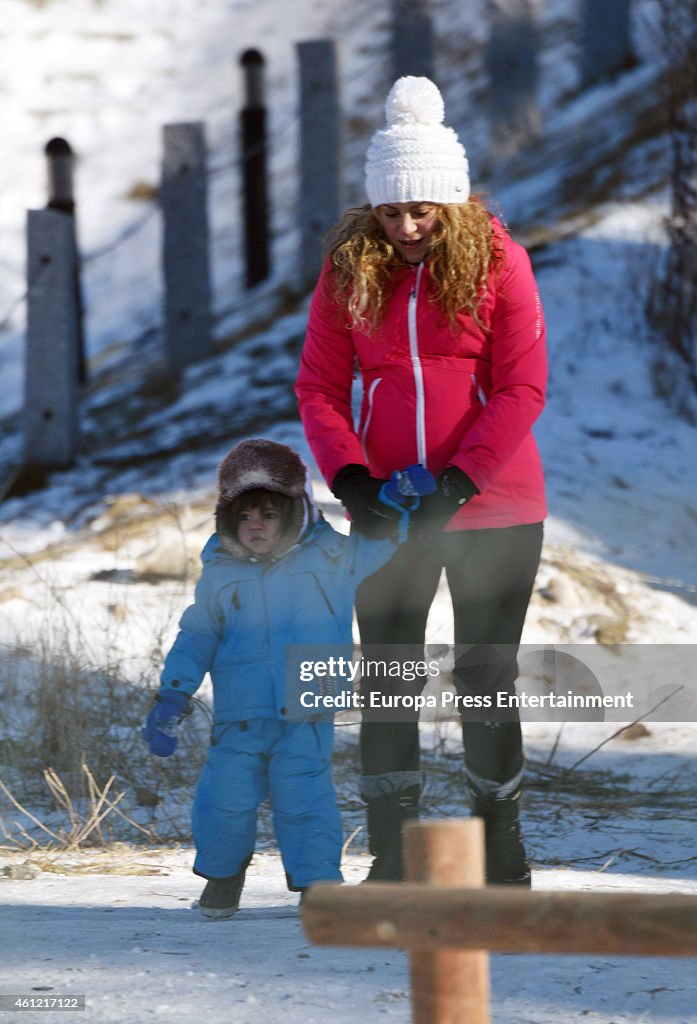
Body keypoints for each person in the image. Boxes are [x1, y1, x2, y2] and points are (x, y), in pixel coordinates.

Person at [295, 76, 547, 886]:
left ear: (451, 202)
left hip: (494, 509)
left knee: (483, 674)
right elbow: (319, 389)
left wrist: (460, 482)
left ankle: (497, 841)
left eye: (421, 211)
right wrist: (351, 476)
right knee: (388, 674)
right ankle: (394, 849)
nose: (405, 227)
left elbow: (520, 387)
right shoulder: (348, 274)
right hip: (389, 513)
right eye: (391, 212)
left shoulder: (500, 264)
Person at [141, 438, 401, 918]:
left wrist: (393, 508)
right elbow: (197, 635)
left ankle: (319, 889)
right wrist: (172, 695)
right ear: (227, 519)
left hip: (308, 708)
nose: (255, 525)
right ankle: (222, 880)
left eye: (267, 514)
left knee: (306, 802)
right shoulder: (221, 572)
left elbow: (381, 548)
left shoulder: (332, 558)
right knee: (224, 801)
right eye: (244, 516)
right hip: (240, 714)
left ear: (294, 511)